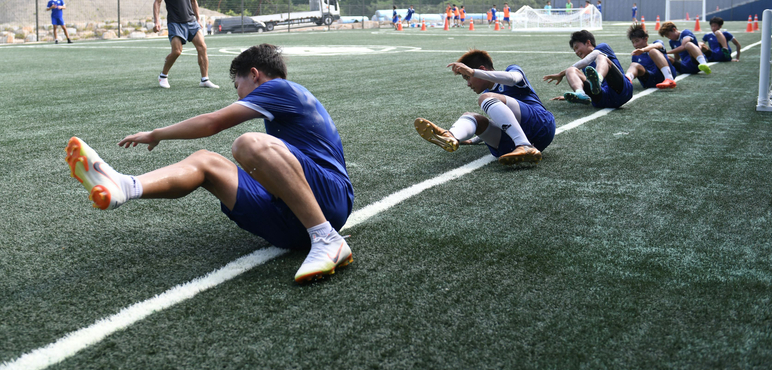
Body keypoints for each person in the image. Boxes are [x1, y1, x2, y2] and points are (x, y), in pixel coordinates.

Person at [64, 44, 354, 284]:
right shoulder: (277, 107)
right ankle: (125, 186)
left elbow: (213, 122)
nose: (238, 93)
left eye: (237, 85)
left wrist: (156, 134)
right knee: (206, 161)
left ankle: (327, 238)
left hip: (331, 199)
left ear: (254, 75)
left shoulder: (282, 89)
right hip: (289, 227)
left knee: (248, 144)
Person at [414, 49, 555, 166]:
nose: (468, 83)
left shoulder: (511, 71)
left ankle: (524, 145)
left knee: (485, 98)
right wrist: (474, 139)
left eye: (467, 77)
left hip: (541, 125)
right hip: (509, 146)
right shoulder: (489, 96)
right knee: (472, 117)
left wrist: (473, 72)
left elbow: (512, 78)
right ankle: (452, 136)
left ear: (481, 69)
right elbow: (504, 121)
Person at [543, 30, 634, 108]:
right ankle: (580, 93)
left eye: (577, 47)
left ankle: (598, 79)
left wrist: (561, 74)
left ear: (588, 43)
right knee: (570, 70)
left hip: (621, 91)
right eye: (574, 50)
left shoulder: (602, 47)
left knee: (601, 57)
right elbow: (584, 67)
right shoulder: (585, 68)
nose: (576, 52)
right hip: (602, 100)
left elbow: (588, 60)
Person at [153, 0, 219, 89]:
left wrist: (198, 18)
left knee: (202, 47)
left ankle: (205, 80)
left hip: (191, 21)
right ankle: (163, 76)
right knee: (177, 51)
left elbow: (193, 1)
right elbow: (157, 2)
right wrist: (157, 21)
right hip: (175, 23)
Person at [625, 23, 678, 89]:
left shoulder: (657, 42)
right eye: (633, 42)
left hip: (662, 75)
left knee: (653, 51)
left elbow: (657, 45)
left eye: (637, 41)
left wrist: (643, 50)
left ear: (646, 39)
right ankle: (625, 81)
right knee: (634, 65)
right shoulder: (636, 55)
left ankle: (669, 78)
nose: (635, 45)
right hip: (650, 81)